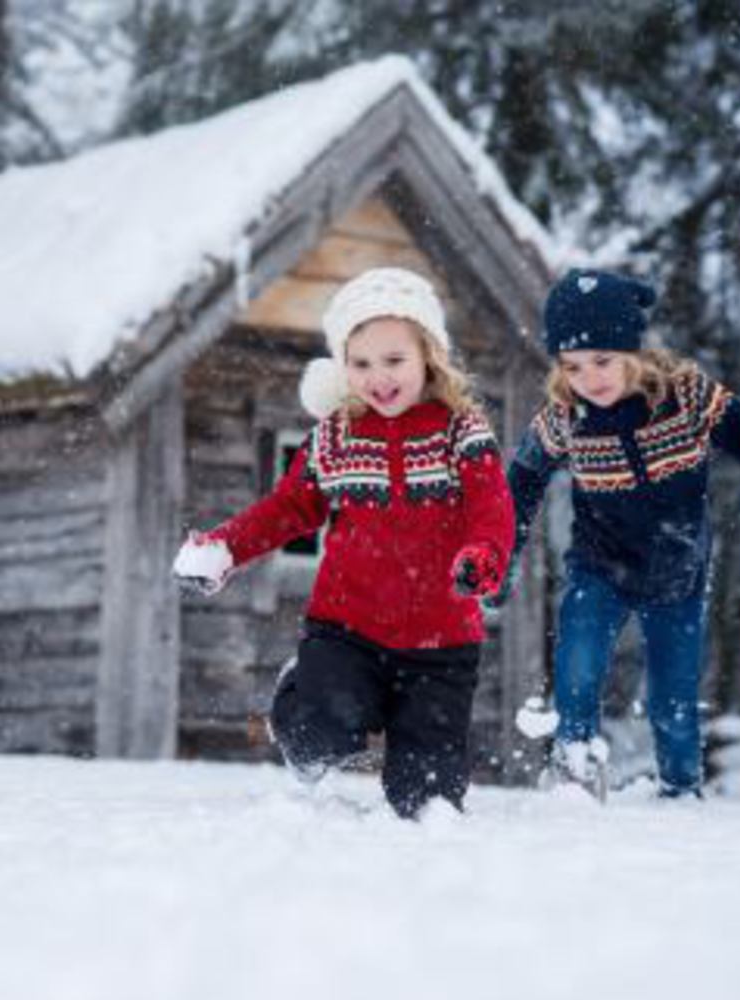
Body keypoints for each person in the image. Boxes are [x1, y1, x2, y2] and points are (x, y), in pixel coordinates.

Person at [172, 268, 514, 818]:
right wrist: (224, 548)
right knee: (319, 732)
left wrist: (483, 558)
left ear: (428, 355)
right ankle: (300, 697)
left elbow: (491, 509)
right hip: (348, 631)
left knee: (427, 800)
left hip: (442, 645)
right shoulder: (336, 436)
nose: (378, 377)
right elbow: (288, 508)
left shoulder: (461, 431)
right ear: (343, 366)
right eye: (360, 363)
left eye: (394, 360)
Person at [501, 268, 740, 799]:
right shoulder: (566, 417)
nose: (589, 378)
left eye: (603, 361)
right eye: (573, 366)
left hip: (679, 569)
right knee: (578, 663)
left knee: (671, 703)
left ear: (635, 351)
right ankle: (575, 769)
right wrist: (504, 549)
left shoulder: (686, 395)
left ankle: (680, 790)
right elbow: (525, 476)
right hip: (599, 564)